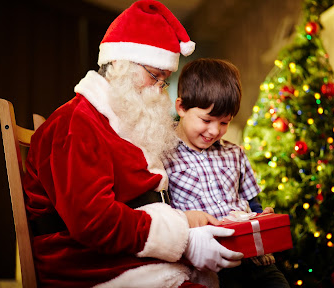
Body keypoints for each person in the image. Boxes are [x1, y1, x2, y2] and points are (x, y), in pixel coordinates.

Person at [23, 2, 244, 287]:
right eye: (154, 75)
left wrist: (186, 221)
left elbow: (139, 201)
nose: (158, 90)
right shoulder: (75, 123)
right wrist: (184, 241)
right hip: (89, 267)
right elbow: (95, 222)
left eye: (164, 81)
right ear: (120, 64)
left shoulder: (123, 121)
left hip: (128, 257)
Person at [162, 58, 290, 288]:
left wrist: (262, 218)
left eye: (224, 122)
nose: (214, 131)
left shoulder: (234, 154)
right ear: (181, 107)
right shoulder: (163, 156)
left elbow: (254, 203)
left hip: (254, 260)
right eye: (206, 120)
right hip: (209, 265)